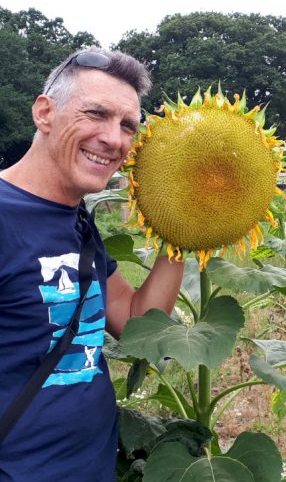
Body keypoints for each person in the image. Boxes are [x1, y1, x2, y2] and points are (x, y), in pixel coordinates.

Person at [0, 48, 185, 481]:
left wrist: (186, 230)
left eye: (127, 126)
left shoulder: (78, 222)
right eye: (96, 114)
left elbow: (136, 321)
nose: (114, 139)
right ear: (44, 113)